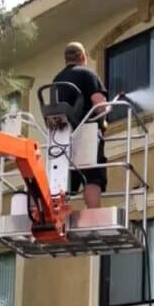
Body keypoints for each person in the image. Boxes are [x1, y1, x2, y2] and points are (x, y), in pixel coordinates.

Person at [52, 42, 108, 208]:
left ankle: (59, 211)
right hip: (86, 132)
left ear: (65, 60)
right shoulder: (87, 74)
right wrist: (104, 119)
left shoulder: (57, 80)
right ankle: (92, 213)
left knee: (65, 177)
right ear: (83, 57)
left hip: (61, 137)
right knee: (93, 175)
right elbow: (98, 102)